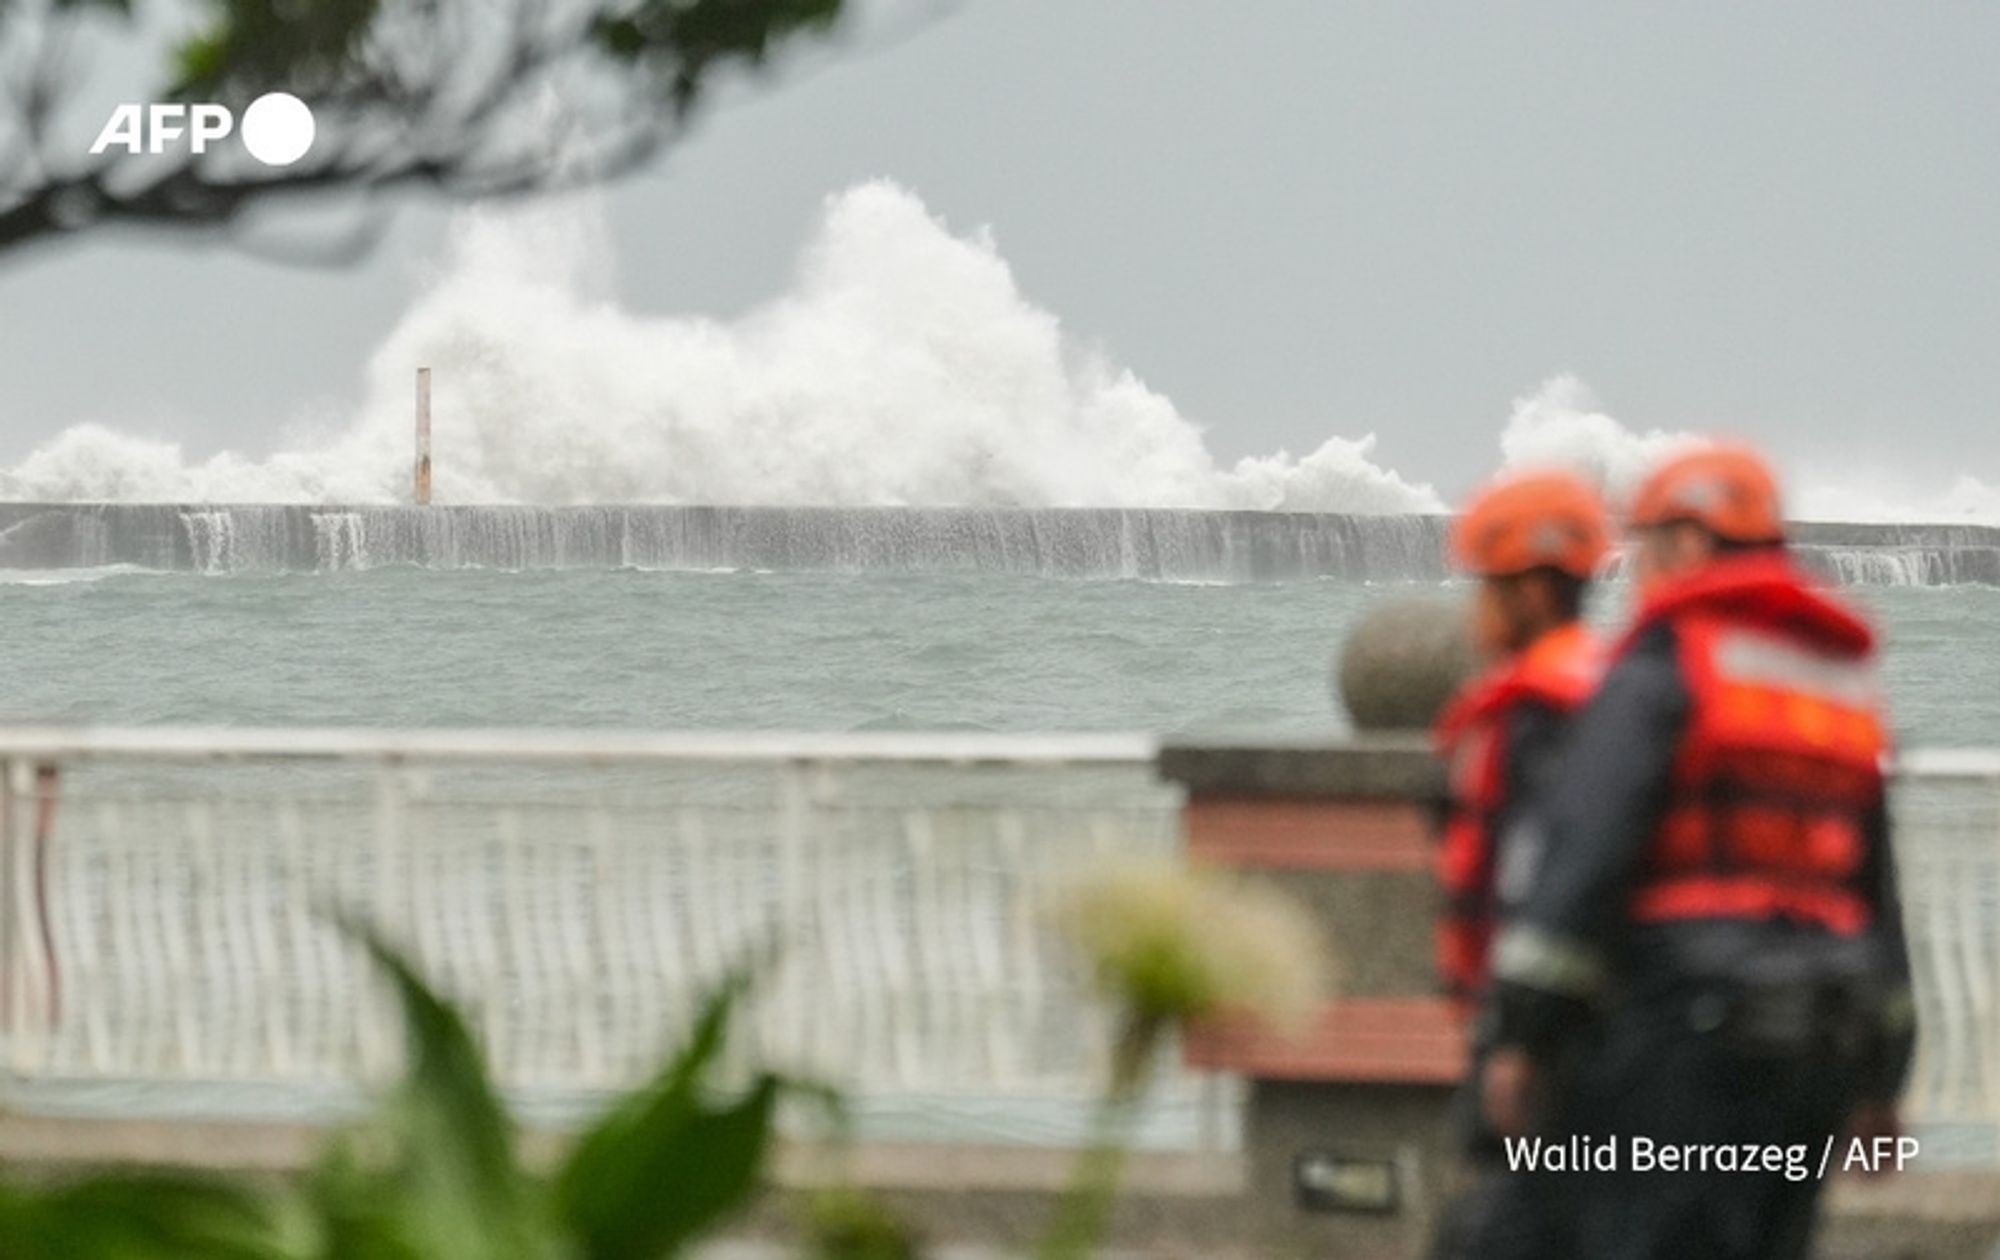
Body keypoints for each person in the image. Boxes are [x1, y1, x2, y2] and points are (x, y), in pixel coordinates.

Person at [1482, 442, 1915, 1260]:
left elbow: (1586, 857)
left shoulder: (1665, 664)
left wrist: (1525, 1036)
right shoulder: (1840, 687)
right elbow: (1878, 898)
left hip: (1690, 1036)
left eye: (1643, 546)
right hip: (1823, 1046)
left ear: (1685, 545)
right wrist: (1885, 1079)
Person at [1426, 468, 1610, 1259]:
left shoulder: (1545, 713)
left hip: (1553, 1047)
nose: (1476, 605)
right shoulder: (1613, 689)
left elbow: (1552, 882)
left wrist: (1521, 1043)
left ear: (1533, 590)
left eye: (1487, 584)